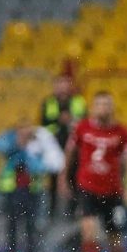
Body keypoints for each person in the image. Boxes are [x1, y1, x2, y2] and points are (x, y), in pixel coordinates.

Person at [60, 91, 127, 252]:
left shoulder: (121, 132)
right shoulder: (82, 127)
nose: (103, 108)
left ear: (112, 108)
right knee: (88, 232)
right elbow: (70, 153)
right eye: (99, 105)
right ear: (93, 108)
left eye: (107, 105)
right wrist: (63, 178)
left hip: (112, 191)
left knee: (114, 238)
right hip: (87, 187)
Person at [0, 123, 63, 252]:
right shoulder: (10, 148)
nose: (24, 136)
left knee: (31, 225)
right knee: (12, 225)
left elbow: (41, 167)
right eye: (21, 133)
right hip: (12, 191)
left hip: (31, 191)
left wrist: (28, 154)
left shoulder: (34, 150)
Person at [40, 74, 87, 215]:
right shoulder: (48, 102)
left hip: (74, 147)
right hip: (55, 147)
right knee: (53, 180)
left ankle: (73, 211)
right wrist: (58, 122)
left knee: (74, 178)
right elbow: (44, 125)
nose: (62, 87)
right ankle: (52, 212)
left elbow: (84, 122)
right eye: (59, 84)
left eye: (65, 83)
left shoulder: (79, 101)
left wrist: (71, 120)